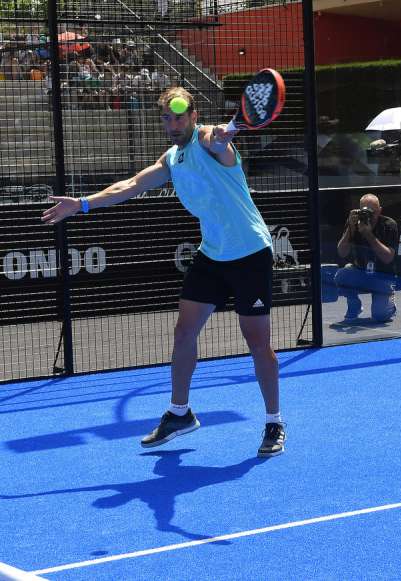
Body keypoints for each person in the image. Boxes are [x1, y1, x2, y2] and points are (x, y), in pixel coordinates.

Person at [41, 86, 285, 457]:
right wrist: (83, 204)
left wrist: (222, 135)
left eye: (179, 115)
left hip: (250, 252)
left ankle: (274, 421)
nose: (172, 123)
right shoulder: (173, 159)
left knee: (257, 343)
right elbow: (132, 185)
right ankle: (180, 413)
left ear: (193, 115)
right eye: (166, 118)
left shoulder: (207, 141)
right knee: (184, 330)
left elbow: (218, 140)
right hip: (213, 254)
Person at [334, 193, 398, 322]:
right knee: (342, 274)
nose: (368, 216)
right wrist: (350, 229)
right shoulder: (354, 222)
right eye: (365, 212)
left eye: (372, 212)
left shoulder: (388, 225)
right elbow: (342, 252)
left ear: (380, 210)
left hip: (382, 276)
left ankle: (389, 304)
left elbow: (388, 258)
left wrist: (368, 235)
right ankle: (354, 305)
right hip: (360, 271)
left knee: (380, 316)